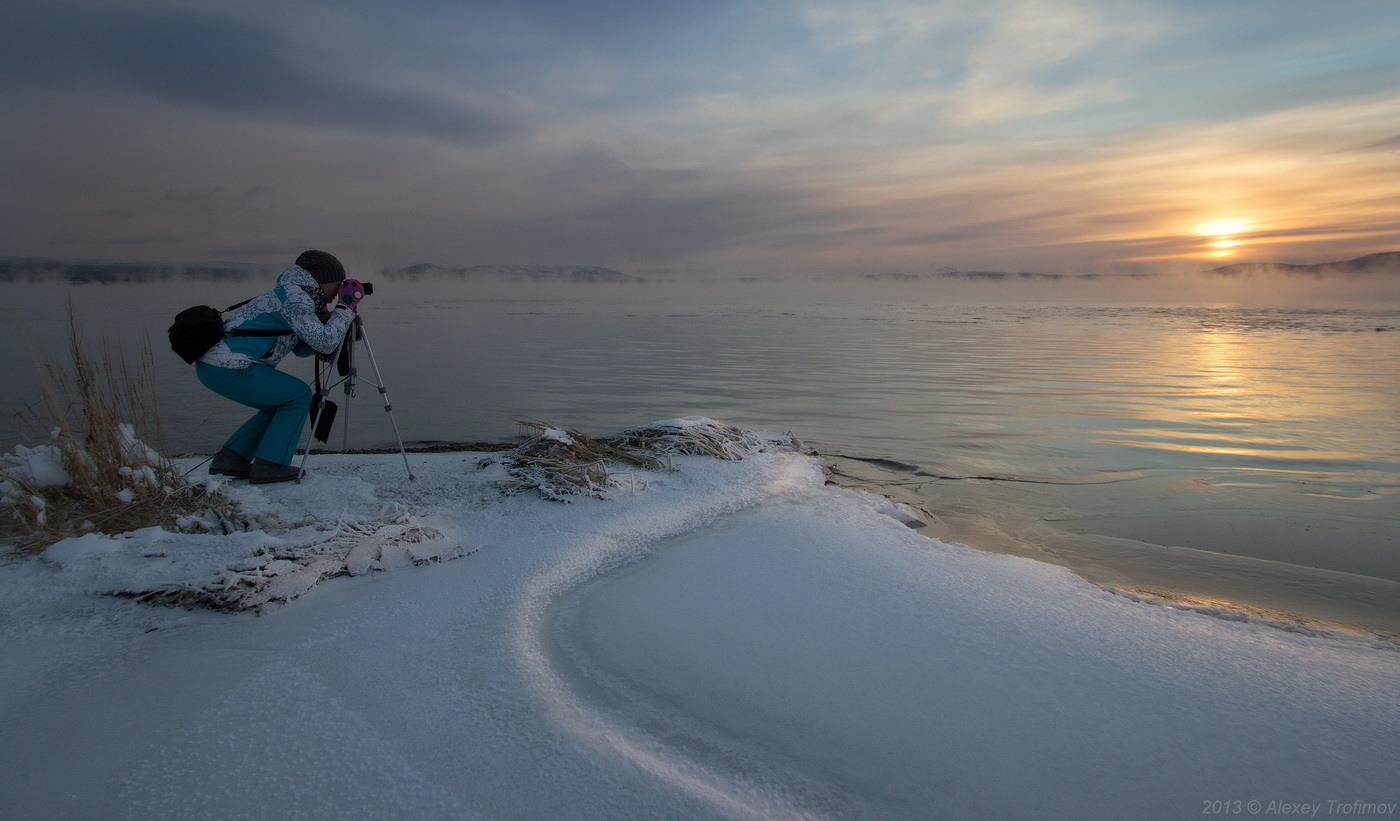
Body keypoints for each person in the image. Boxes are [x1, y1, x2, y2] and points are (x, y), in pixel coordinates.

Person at [197, 250, 368, 484]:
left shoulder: (291, 294)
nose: (337, 292)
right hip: (230, 365)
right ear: (324, 281)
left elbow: (300, 348)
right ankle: (271, 465)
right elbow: (325, 344)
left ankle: (231, 459)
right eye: (338, 285)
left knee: (277, 405)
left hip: (214, 366)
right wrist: (345, 308)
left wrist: (334, 325)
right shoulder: (297, 299)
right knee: (297, 396)